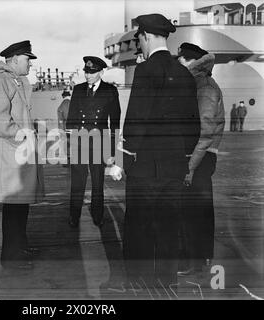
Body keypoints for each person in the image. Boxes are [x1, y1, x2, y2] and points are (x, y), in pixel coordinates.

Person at [121, 14, 200, 290]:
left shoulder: (145, 71)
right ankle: (167, 286)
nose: (140, 45)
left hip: (145, 168)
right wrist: (184, 157)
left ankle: (137, 285)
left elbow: (136, 120)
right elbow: (194, 125)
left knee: (139, 228)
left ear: (146, 36)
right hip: (174, 167)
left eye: (139, 39)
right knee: (169, 227)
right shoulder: (185, 74)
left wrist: (125, 159)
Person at [0, 40, 44, 270]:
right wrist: (21, 135)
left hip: (18, 155)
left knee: (21, 205)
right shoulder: (0, 80)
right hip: (11, 155)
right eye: (28, 59)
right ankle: (11, 256)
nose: (30, 64)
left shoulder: (15, 80)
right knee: (13, 207)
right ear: (16, 58)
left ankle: (20, 246)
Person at [177, 42, 225, 274]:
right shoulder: (199, 83)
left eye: (180, 59)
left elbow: (205, 132)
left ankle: (193, 261)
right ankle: (200, 257)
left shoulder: (204, 87)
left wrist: (190, 166)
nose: (177, 62)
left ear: (189, 61)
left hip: (200, 157)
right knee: (200, 210)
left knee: (193, 211)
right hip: (201, 155)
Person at [66, 56, 121, 228]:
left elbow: (115, 123)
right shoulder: (78, 89)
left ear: (101, 72)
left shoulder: (110, 91)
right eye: (86, 72)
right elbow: (71, 119)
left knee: (97, 182)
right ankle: (74, 216)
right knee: (77, 182)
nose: (87, 75)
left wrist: (111, 151)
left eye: (91, 72)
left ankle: (98, 216)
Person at [57, 90, 71, 166]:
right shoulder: (74, 104)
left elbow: (60, 121)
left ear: (63, 96)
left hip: (65, 129)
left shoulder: (61, 106)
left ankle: (66, 162)